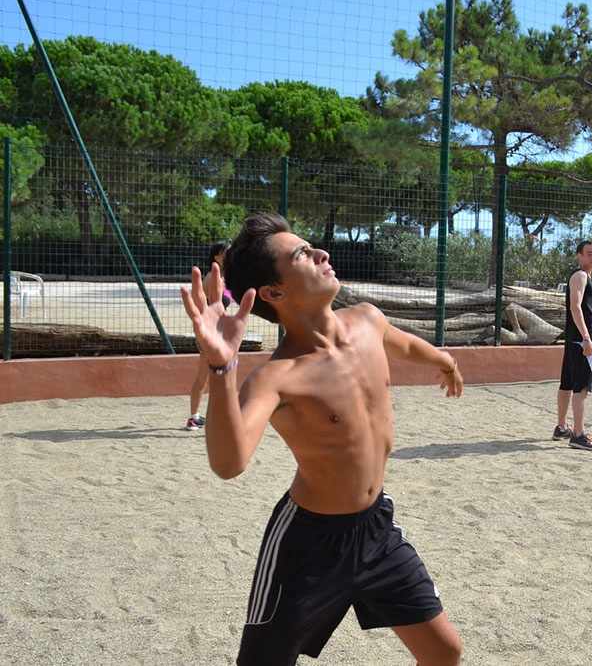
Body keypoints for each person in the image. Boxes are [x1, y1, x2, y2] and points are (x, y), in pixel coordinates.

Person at [180, 213, 464, 666]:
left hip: (376, 529)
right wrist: (221, 369)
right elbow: (229, 463)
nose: (321, 254)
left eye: (311, 246)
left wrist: (444, 360)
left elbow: (405, 344)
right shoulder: (277, 377)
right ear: (274, 293)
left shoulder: (367, 320)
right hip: (306, 544)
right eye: (302, 254)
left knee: (445, 651)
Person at [553, 240, 592, 451]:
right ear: (579, 257)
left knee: (567, 384)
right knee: (581, 387)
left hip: (575, 340)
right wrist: (586, 337)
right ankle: (578, 434)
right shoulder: (580, 276)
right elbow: (575, 307)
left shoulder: (584, 277)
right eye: (589, 254)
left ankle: (562, 427)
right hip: (581, 340)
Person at [186, 241, 232, 431]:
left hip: (215, 333)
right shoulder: (211, 279)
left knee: (206, 377)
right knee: (216, 377)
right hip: (210, 334)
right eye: (227, 251)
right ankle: (210, 418)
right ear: (217, 257)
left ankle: (194, 417)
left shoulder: (224, 278)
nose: (232, 253)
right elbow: (208, 309)